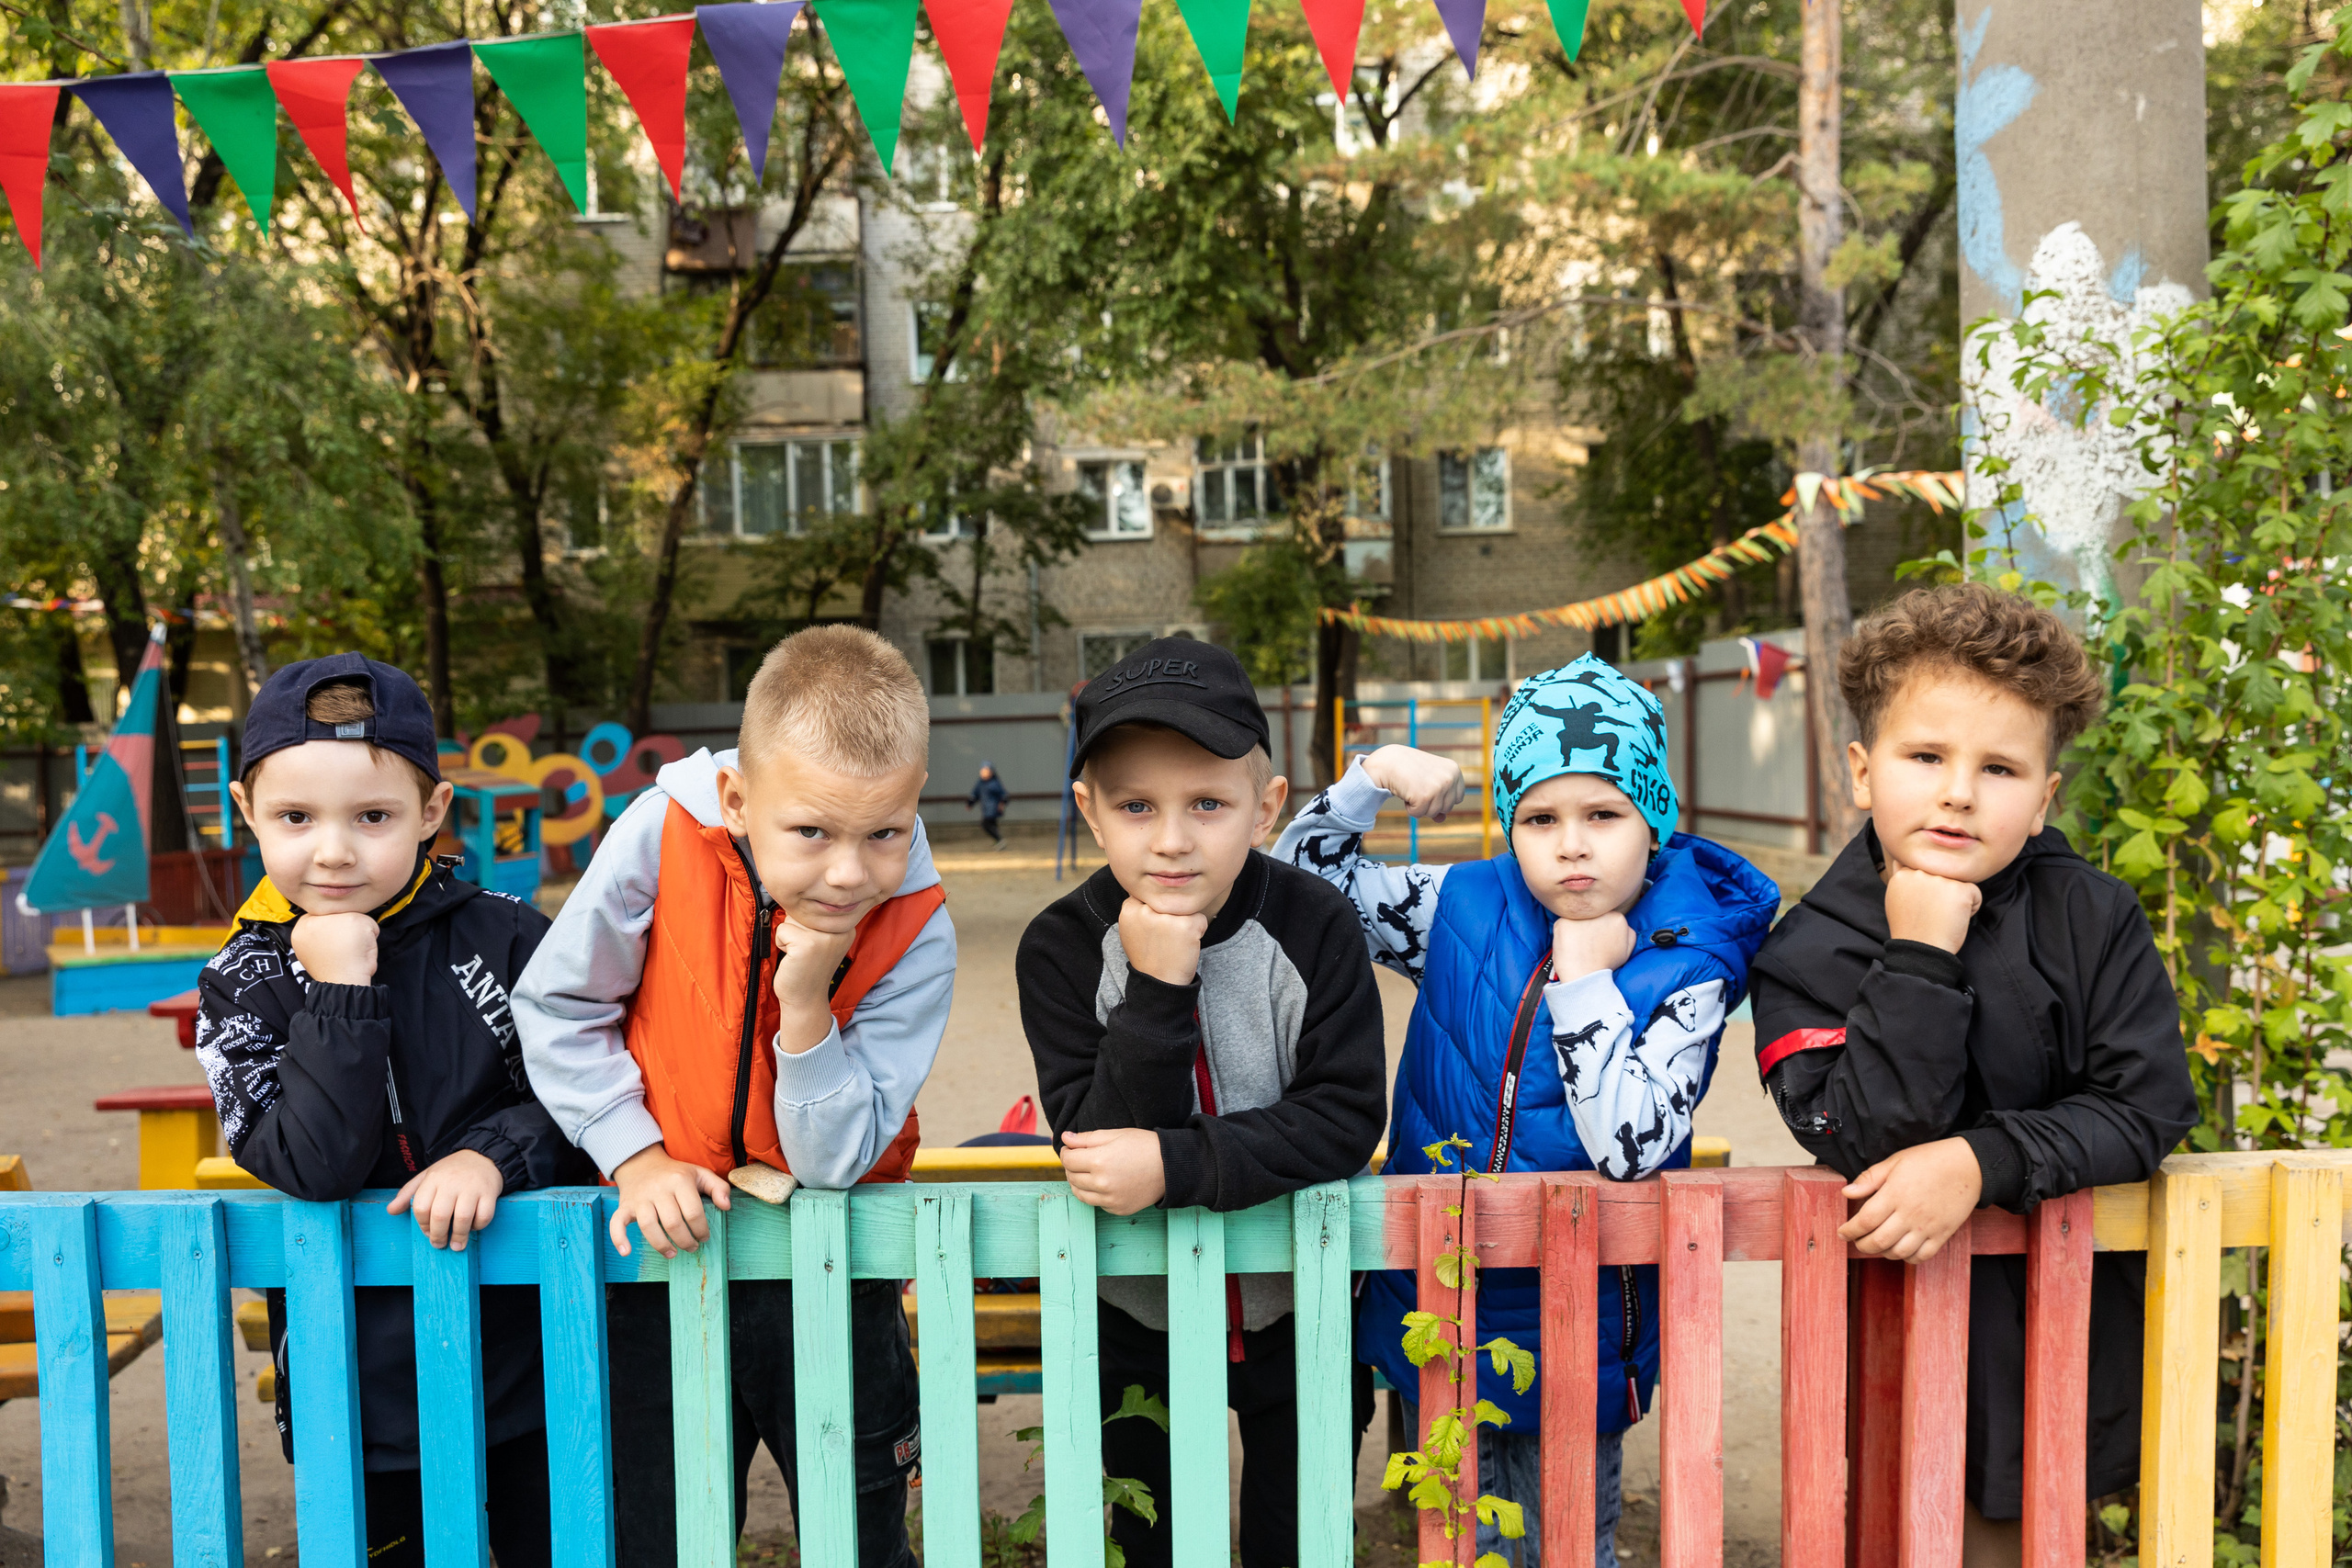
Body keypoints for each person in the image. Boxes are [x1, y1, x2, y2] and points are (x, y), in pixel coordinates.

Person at [1275, 652, 1779, 1568]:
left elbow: (1632, 1146)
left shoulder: (1689, 961)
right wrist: (1370, 778)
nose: (1571, 844)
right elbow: (1301, 895)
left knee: (1563, 1543)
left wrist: (1587, 980)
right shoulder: (1461, 904)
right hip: (1445, 1299)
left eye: (1602, 815)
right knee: (1459, 1540)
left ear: (1651, 818)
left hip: (1580, 1314)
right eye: (1539, 817)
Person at [1750, 583, 2196, 1564]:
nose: (1958, 791)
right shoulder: (1804, 956)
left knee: (2033, 1530)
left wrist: (1980, 1160)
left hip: (2061, 1330)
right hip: (1892, 1338)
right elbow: (1860, 1137)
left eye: (1998, 768)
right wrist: (1917, 957)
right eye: (1925, 757)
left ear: (2042, 800)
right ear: (1863, 772)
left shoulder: (2093, 918)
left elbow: (2148, 1104)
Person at [512, 626, 954, 1568]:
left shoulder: (917, 925)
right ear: (736, 800)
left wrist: (805, 1008)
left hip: (835, 1271)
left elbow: (834, 1158)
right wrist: (633, 1153)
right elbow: (557, 1004)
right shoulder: (659, 837)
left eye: (885, 832)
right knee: (656, 1531)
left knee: (860, 1534)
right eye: (812, 832)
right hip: (666, 1259)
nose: (848, 871)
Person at [196, 654, 594, 1568]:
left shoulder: (512, 936)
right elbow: (313, 1164)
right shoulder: (240, 985)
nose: (333, 850)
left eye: (371, 817)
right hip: (358, 1389)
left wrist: (493, 1154)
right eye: (296, 818)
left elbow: (590, 1091)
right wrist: (339, 991)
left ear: (430, 812)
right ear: (247, 810)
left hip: (540, 1362)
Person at [1016, 637, 1387, 1568]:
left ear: (1263, 810)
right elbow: (1098, 1147)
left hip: (1302, 1312)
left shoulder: (1315, 924)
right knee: (1153, 1547)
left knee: (1296, 1542)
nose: (1172, 838)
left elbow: (1344, 1116)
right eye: (1136, 805)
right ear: (1090, 813)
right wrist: (1156, 984)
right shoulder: (1059, 950)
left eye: (1206, 805)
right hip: (1137, 1322)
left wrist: (1177, 1163)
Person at [967, 760, 1010, 848]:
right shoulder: (980, 783)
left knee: (985, 824)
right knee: (992, 825)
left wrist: (1002, 803)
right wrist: (970, 803)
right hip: (985, 808)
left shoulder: (994, 783)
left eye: (986, 771)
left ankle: (999, 840)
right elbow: (975, 794)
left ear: (991, 772)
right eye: (982, 771)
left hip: (993, 809)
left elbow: (1004, 795)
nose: (983, 773)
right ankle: (998, 842)